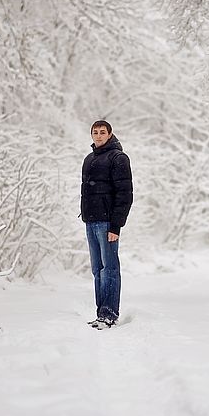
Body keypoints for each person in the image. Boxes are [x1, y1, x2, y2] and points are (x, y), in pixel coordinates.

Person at [80, 120, 133, 329]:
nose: (99, 136)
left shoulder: (118, 158)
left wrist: (116, 226)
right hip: (90, 222)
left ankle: (109, 314)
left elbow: (125, 195)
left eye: (103, 132)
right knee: (97, 269)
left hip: (107, 224)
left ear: (110, 134)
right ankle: (100, 314)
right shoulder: (89, 159)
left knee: (110, 268)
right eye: (95, 132)